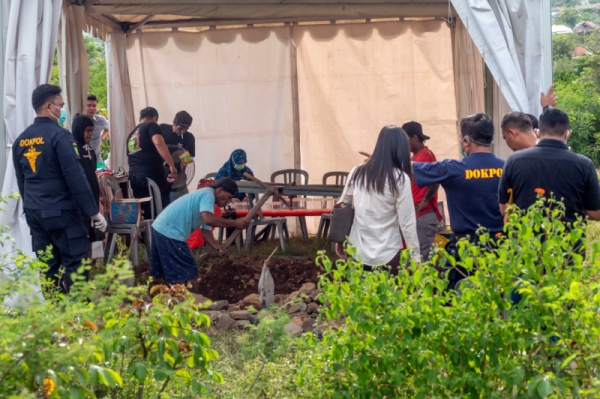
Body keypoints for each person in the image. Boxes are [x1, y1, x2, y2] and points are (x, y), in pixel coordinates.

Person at [13, 84, 107, 292]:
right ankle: (78, 318)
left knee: (48, 268)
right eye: (60, 105)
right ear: (49, 106)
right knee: (76, 264)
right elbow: (76, 178)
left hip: (36, 214)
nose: (62, 110)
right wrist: (93, 213)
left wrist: (32, 207)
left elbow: (22, 182)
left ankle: (56, 316)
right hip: (62, 213)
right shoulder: (61, 137)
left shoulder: (21, 140)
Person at [412, 114, 504, 287]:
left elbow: (412, 169)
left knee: (460, 298)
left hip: (465, 250)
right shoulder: (506, 167)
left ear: (467, 140)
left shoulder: (452, 169)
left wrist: (381, 161)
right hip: (499, 248)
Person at [336, 126, 420, 271]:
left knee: (360, 293)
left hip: (357, 252)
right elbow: (407, 223)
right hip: (389, 254)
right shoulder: (400, 179)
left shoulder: (357, 172)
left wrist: (340, 239)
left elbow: (343, 205)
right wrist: (415, 257)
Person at [498, 108, 600, 224]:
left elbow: (504, 209)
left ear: (538, 132)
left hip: (527, 239)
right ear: (567, 133)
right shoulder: (584, 165)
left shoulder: (514, 161)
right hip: (569, 239)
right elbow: (595, 213)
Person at [150, 178, 250, 291]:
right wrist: (235, 223)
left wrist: (216, 247)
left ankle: (163, 300)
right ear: (220, 190)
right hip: (170, 231)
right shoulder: (208, 194)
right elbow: (208, 219)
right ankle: (194, 302)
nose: (229, 201)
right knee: (188, 271)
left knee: (163, 273)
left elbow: (205, 231)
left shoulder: (208, 202)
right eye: (229, 197)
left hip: (160, 228)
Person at [127, 107, 178, 216]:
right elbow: (159, 143)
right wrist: (171, 165)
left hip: (134, 176)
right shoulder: (152, 126)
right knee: (160, 208)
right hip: (149, 175)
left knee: (145, 211)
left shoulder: (132, 134)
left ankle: (147, 233)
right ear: (155, 118)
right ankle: (158, 232)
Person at [402, 121, 442, 260]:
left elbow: (436, 179)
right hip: (417, 216)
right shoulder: (416, 157)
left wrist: (425, 200)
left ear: (414, 138)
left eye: (405, 139)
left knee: (423, 258)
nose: (403, 144)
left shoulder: (425, 155)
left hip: (423, 216)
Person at [71, 114, 104, 250]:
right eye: (87, 130)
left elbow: (93, 175)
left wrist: (102, 195)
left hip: (94, 200)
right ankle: (84, 267)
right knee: (83, 237)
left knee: (97, 235)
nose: (90, 134)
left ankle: (96, 266)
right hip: (80, 204)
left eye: (92, 130)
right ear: (79, 130)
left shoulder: (90, 150)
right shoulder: (73, 150)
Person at [161, 111, 195, 201]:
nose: (182, 131)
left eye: (185, 129)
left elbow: (186, 160)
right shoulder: (162, 129)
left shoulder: (189, 138)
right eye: (180, 128)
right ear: (174, 122)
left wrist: (177, 173)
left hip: (177, 177)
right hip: (160, 173)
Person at [85, 94, 109, 161]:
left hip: (97, 158)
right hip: (83, 159)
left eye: (94, 106)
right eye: (89, 105)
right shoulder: (78, 121)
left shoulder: (100, 120)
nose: (92, 108)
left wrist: (102, 138)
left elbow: (108, 129)